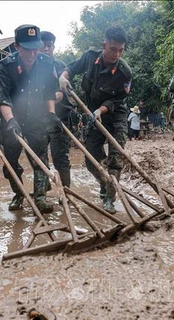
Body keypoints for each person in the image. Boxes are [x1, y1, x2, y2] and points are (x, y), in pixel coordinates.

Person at [59, 26, 132, 214]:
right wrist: (63, 77)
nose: (116, 54)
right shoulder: (90, 57)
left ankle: (109, 197)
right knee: (91, 158)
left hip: (115, 116)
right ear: (104, 45)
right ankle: (105, 182)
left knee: (116, 157)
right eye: (113, 49)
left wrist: (101, 109)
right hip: (93, 115)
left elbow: (119, 99)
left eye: (120, 50)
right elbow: (72, 68)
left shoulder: (124, 72)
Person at [0, 24, 58, 213]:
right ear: (17, 46)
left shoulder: (46, 63)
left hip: (37, 118)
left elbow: (49, 93)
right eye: (27, 49)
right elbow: (2, 97)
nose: (33, 54)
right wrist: (11, 121)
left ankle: (40, 198)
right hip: (12, 118)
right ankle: (19, 193)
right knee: (10, 163)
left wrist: (52, 115)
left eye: (35, 48)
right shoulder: (6, 65)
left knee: (40, 159)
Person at [39, 31, 75, 189]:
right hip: (38, 117)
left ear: (53, 46)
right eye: (43, 45)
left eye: (49, 46)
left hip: (60, 117)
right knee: (39, 153)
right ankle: (42, 188)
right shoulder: (34, 65)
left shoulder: (59, 66)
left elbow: (60, 94)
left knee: (59, 154)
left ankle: (66, 191)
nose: (46, 49)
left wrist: (45, 103)